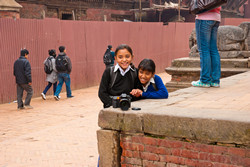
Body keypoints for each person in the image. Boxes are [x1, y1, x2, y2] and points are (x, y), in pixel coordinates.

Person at [191, 7, 221, 88]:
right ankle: (215, 81)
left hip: (204, 17)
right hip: (216, 17)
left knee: (204, 50)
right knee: (213, 50)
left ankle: (205, 80)